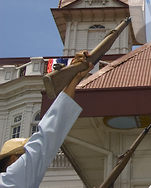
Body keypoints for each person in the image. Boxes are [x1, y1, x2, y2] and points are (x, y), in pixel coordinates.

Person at [0, 51, 93, 188]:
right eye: (24, 156)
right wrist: (74, 80)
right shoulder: (13, 181)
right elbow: (47, 136)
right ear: (13, 160)